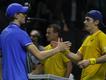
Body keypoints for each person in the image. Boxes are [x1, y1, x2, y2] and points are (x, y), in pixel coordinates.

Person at [0, 3, 71, 80]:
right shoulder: (21, 33)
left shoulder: (3, 33)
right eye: (23, 13)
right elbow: (40, 56)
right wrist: (58, 49)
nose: (25, 15)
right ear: (16, 15)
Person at [66, 10, 106, 80]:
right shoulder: (87, 39)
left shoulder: (102, 36)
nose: (84, 22)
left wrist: (90, 61)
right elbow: (77, 57)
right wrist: (63, 50)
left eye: (88, 20)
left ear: (96, 22)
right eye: (85, 20)